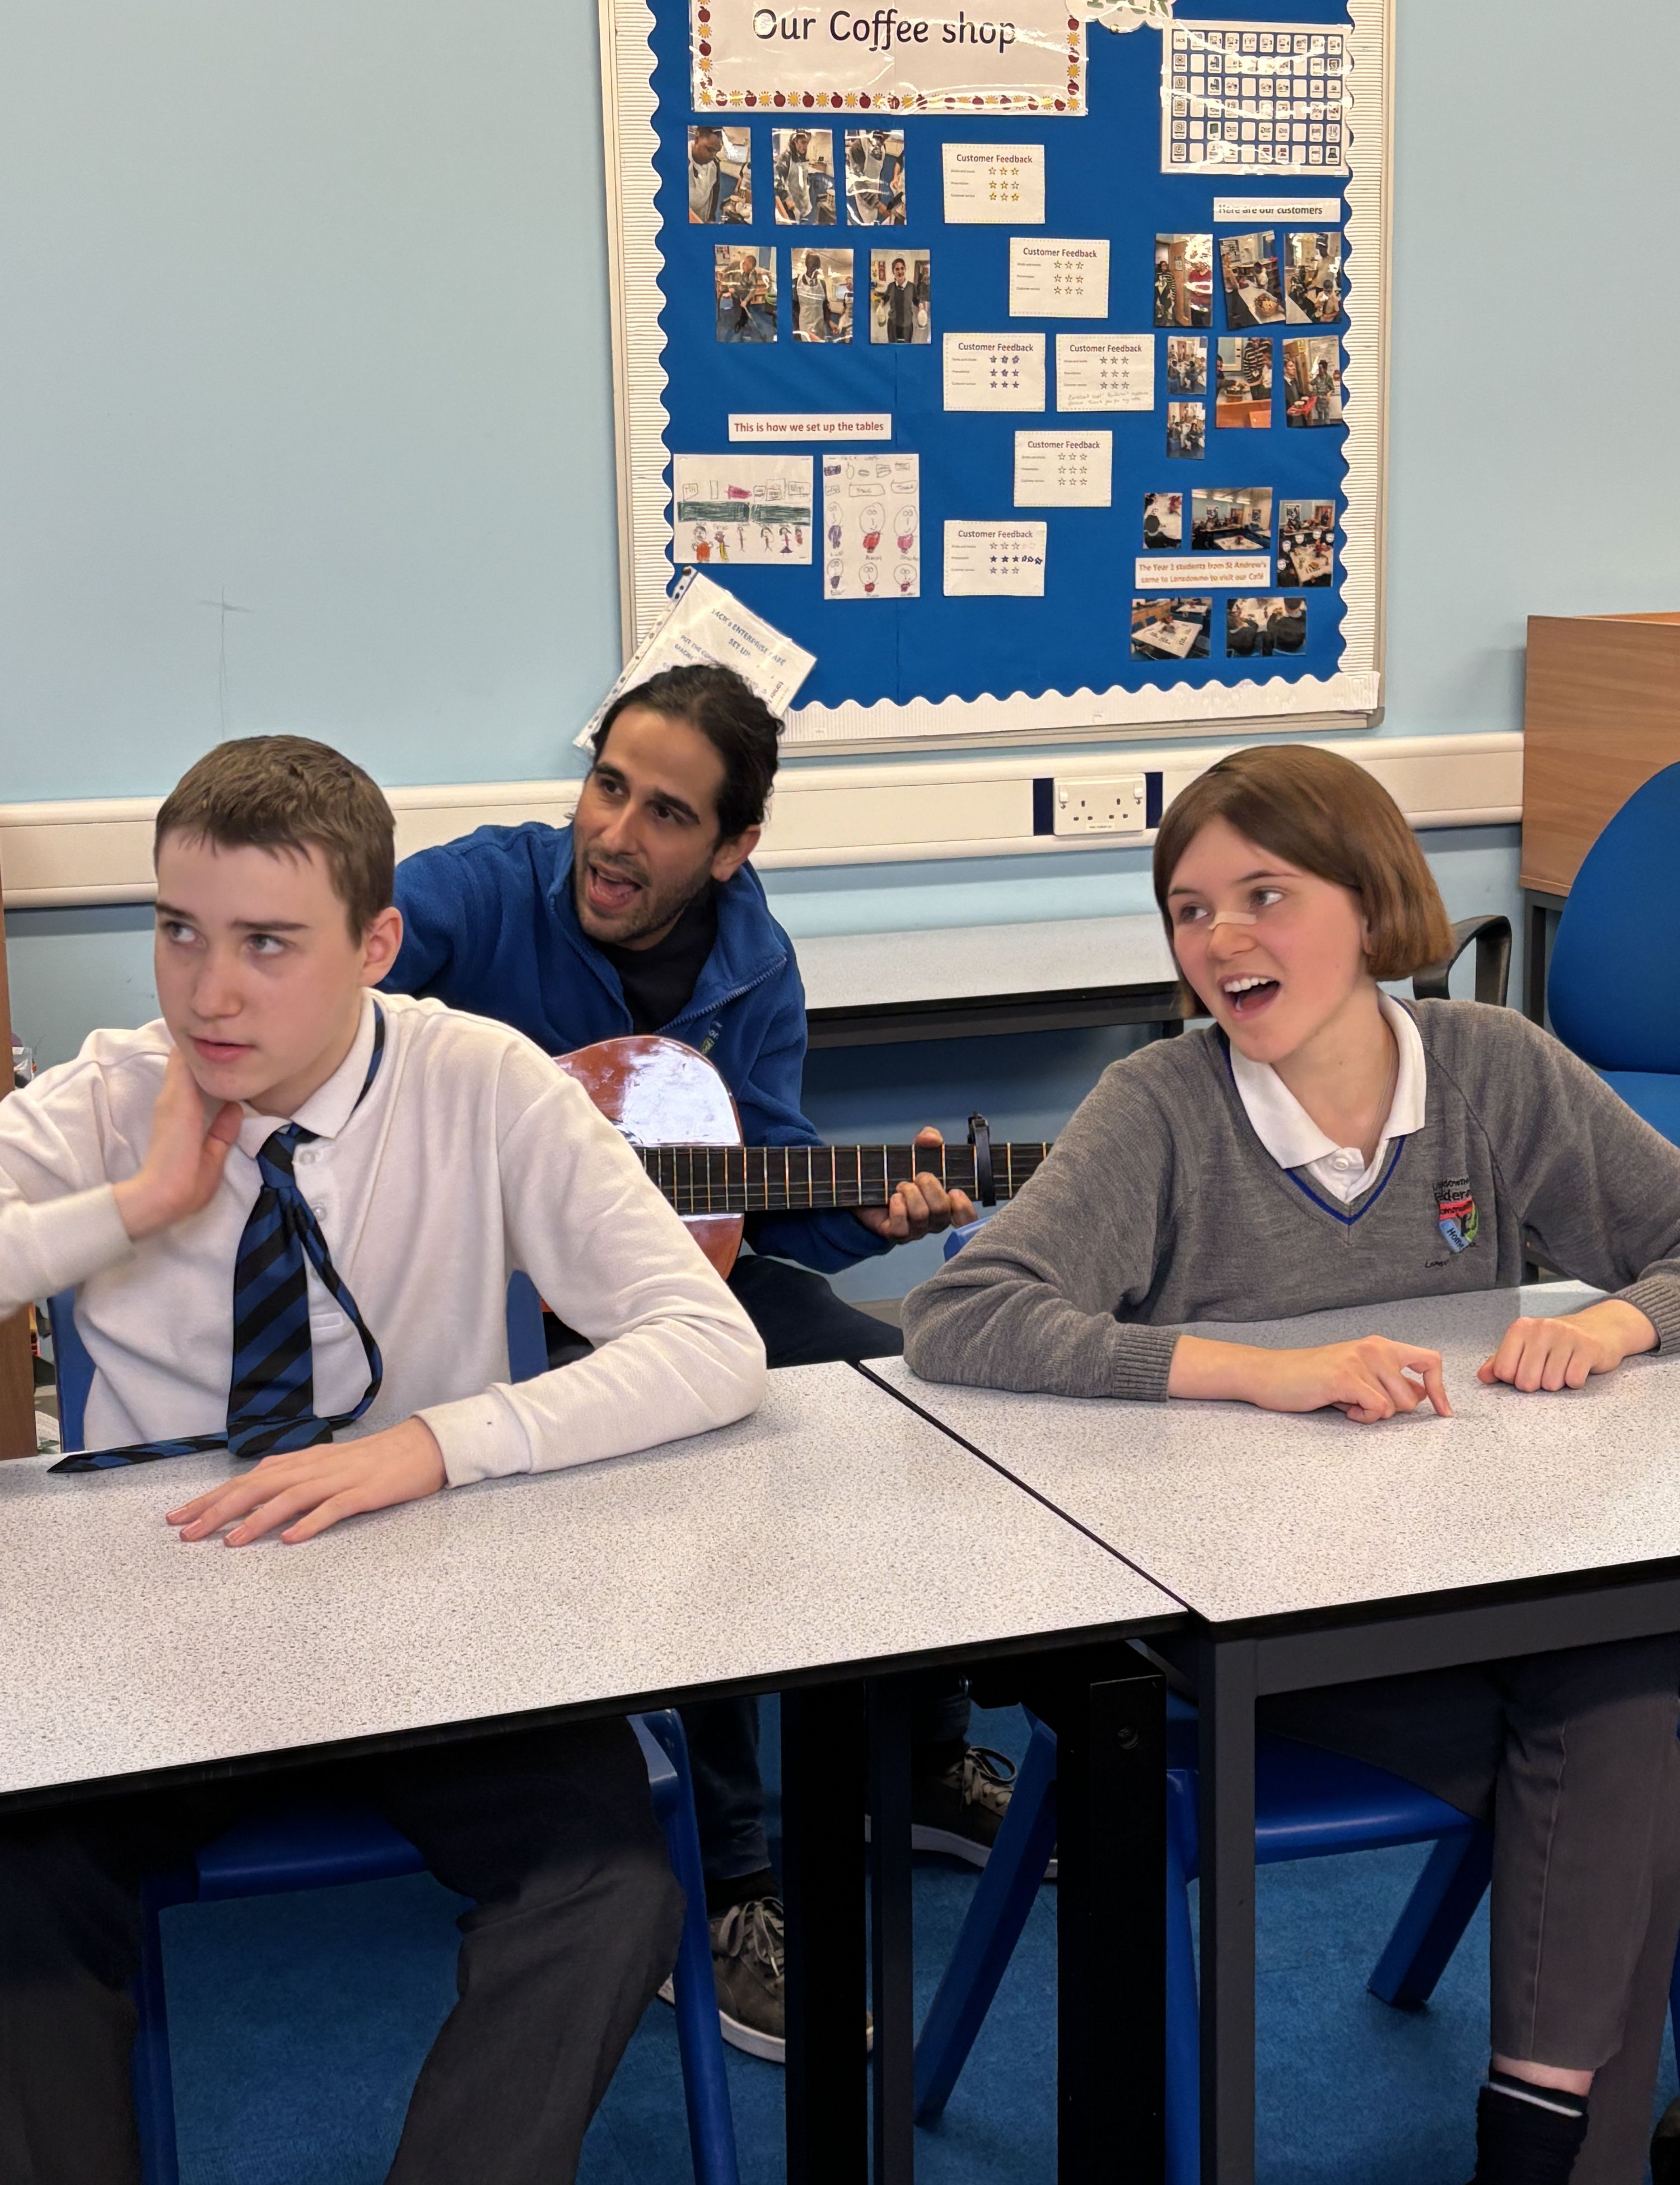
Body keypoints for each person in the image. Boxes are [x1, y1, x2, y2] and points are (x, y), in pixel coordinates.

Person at [903, 744, 1680, 2185]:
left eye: (1264, 893)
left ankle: (1543, 2145)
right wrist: (1262, 1370)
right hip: (1261, 1632)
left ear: (1369, 901)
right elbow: (962, 1315)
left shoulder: (1490, 1067)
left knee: (1633, 1672)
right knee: (1638, 1727)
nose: (1220, 938)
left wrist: (1622, 1318)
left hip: (1475, 1589)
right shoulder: (1159, 1105)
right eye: (1189, 909)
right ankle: (1566, 2155)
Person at [0, 735, 767, 2185]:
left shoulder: (480, 1080)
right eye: (179, 932)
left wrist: (436, 1443)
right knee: (17, 1883)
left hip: (433, 1625)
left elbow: (706, 1341)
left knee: (607, 1888)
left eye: (268, 944)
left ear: (375, 945)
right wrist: (132, 1204)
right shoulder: (117, 1094)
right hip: (156, 1628)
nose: (208, 993)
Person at [384, 665, 1019, 2065]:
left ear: (733, 847)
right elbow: (314, 1006)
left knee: (912, 1397)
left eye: (666, 813)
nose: (614, 834)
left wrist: (864, 1216)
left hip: (668, 1293)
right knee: (697, 1458)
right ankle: (724, 1884)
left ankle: (918, 1756)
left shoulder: (753, 963)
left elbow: (747, 1198)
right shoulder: (472, 894)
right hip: (468, 1317)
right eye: (606, 785)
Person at [877, 255, 916, 344]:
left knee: (907, 348)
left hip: (907, 324)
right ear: (893, 272)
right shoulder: (891, 286)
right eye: (897, 269)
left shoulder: (912, 287)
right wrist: (881, 304)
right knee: (893, 347)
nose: (900, 271)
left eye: (902, 268)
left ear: (905, 270)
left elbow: (916, 300)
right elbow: (885, 297)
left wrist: (921, 306)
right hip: (893, 324)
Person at [688, 125, 723, 223]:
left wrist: (711, 218)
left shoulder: (714, 164)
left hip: (702, 215)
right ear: (697, 139)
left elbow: (715, 191)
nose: (713, 156)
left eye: (716, 151)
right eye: (710, 150)